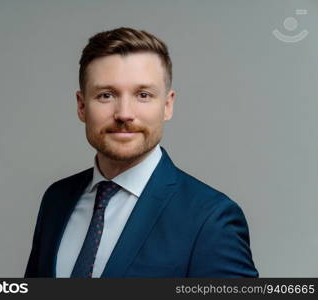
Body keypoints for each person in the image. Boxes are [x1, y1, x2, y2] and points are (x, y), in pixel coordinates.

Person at [25, 27, 258, 278]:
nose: (124, 113)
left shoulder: (210, 218)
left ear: (167, 106)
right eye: (106, 95)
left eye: (143, 95)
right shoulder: (57, 199)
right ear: (82, 107)